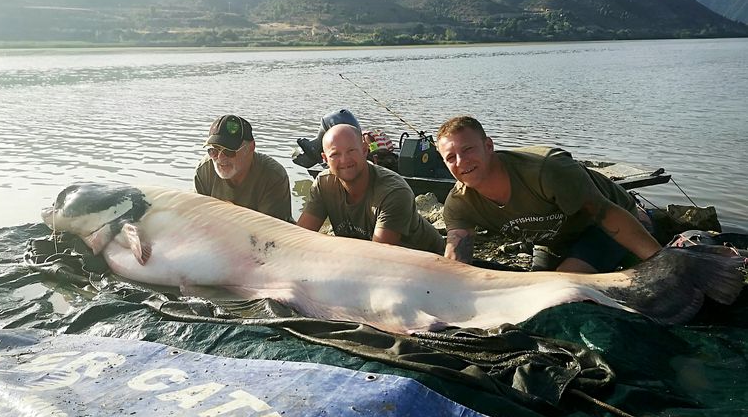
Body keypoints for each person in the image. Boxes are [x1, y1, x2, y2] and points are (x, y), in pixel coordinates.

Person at [436, 116, 661, 273]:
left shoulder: (546, 170)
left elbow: (607, 214)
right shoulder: (458, 204)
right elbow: (456, 259)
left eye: (468, 150)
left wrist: (661, 262)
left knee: (566, 282)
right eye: (451, 157)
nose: (461, 162)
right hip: (553, 240)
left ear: (488, 146)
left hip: (602, 226)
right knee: (540, 284)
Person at [296, 123, 445, 254]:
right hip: (371, 258)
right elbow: (299, 238)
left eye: (351, 151)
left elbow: (378, 257)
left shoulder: (393, 192)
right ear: (325, 159)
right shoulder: (323, 183)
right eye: (335, 154)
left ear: (364, 150)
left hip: (425, 261)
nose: (344, 160)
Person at [195, 114, 293, 222]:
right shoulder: (204, 169)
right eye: (213, 151)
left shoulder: (273, 176)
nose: (220, 157)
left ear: (251, 147)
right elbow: (197, 217)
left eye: (229, 151)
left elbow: (271, 229)